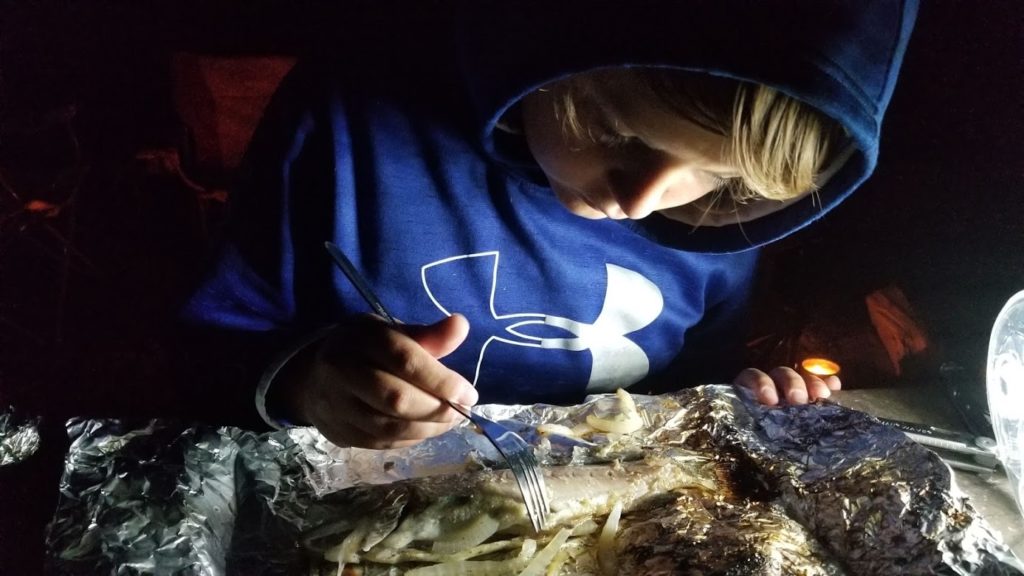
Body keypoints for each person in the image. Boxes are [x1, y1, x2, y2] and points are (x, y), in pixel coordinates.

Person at [181, 2, 918, 449]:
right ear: (538, 41)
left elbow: (693, 383)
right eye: (619, 133)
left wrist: (748, 397)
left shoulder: (711, 229)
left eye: (727, 182)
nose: (643, 200)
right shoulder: (348, 124)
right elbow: (211, 350)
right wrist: (306, 384)